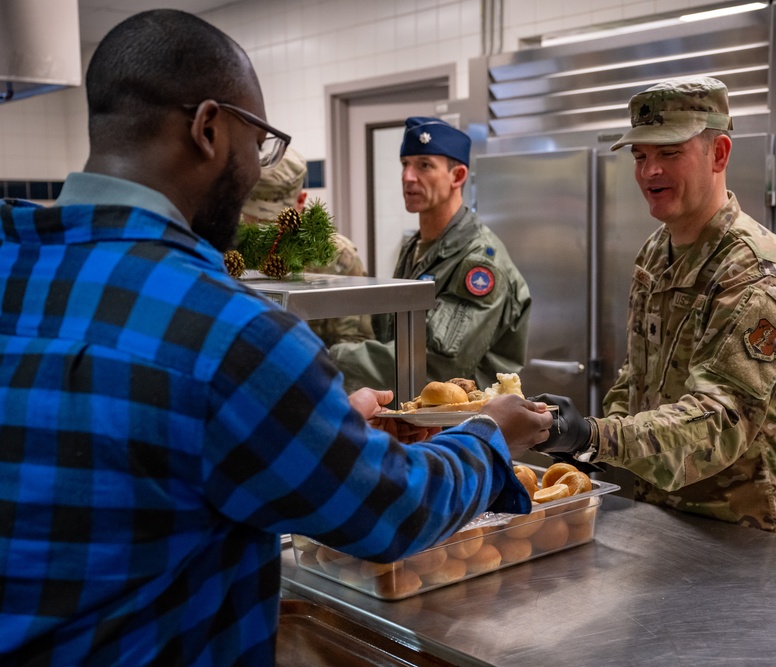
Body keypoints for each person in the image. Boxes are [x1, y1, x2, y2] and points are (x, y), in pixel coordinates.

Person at [0, 10, 552, 665]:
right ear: (209, 129)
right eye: (257, 143)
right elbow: (390, 511)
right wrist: (490, 436)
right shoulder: (232, 332)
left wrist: (318, 421)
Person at [532, 76, 776, 539]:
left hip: (746, 532)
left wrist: (596, 437)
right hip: (661, 514)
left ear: (718, 154)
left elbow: (720, 421)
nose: (650, 172)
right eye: (640, 156)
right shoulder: (655, 253)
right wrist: (582, 446)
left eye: (669, 153)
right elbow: (637, 378)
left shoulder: (758, 274)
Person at [328, 117, 531, 395]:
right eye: (405, 164)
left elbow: (437, 362)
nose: (407, 177)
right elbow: (396, 332)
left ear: (457, 176)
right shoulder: (416, 246)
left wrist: (330, 359)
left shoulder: (479, 261)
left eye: (424, 165)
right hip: (420, 411)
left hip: (468, 418)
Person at [241, 146, 375, 344]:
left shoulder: (337, 258)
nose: (262, 230)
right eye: (254, 217)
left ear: (300, 202)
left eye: (273, 219)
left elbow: (354, 344)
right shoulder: (227, 247)